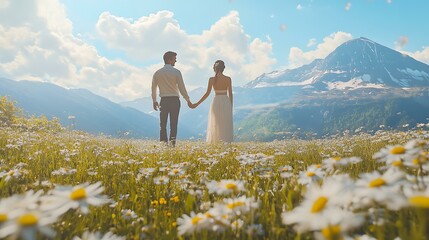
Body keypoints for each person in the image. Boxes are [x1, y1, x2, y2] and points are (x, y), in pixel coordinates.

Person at [151, 51, 193, 146]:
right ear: (169, 60)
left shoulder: (157, 73)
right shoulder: (177, 72)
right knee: (174, 124)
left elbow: (153, 88)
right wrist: (188, 100)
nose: (176, 61)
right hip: (175, 100)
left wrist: (154, 101)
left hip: (164, 101)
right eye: (174, 59)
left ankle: (163, 144)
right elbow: (182, 88)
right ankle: (172, 145)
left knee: (163, 124)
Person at [191, 60, 233, 143]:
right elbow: (230, 94)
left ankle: (216, 141)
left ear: (215, 68)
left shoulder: (212, 79)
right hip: (225, 101)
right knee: (225, 123)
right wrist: (231, 106)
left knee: (216, 122)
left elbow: (207, 94)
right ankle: (226, 142)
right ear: (223, 68)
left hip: (216, 101)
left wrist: (196, 104)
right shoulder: (228, 79)